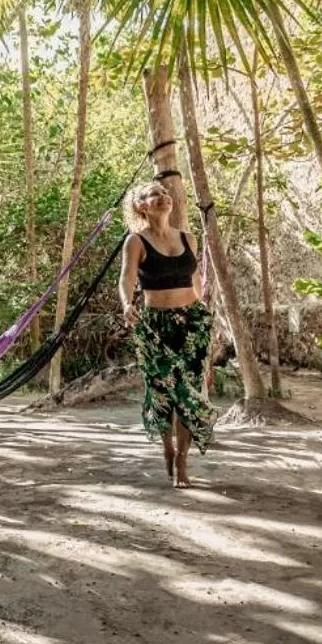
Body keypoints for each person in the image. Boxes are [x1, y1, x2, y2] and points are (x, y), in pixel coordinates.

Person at [118, 177, 215, 487]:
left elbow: (196, 280)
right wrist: (127, 304)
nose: (163, 196)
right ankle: (167, 448)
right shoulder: (136, 241)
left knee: (188, 392)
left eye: (164, 192)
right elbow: (126, 279)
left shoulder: (188, 238)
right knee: (163, 393)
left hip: (193, 323)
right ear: (141, 206)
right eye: (153, 194)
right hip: (155, 326)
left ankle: (183, 461)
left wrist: (205, 316)